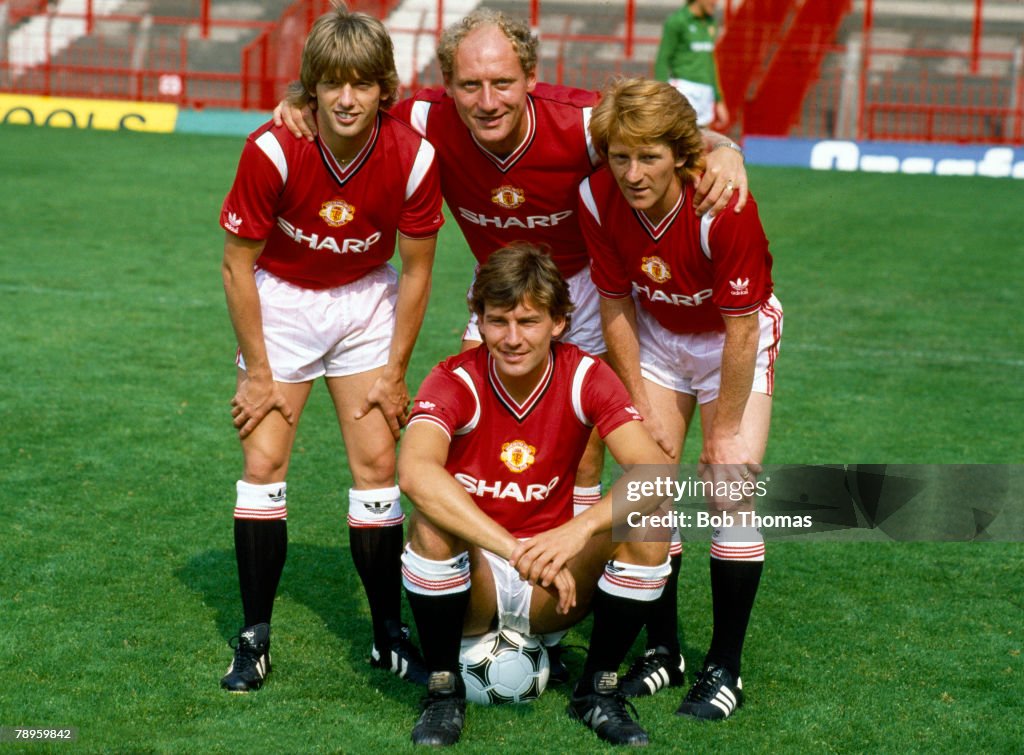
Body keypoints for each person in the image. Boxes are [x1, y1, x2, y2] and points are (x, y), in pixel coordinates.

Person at [274, 8, 749, 683]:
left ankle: (603, 621)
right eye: (470, 85)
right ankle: (491, 593)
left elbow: (666, 133)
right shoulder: (425, 117)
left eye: (502, 82)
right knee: (470, 454)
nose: (487, 100)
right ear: (447, 85)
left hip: (586, 290)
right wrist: (297, 97)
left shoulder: (581, 122)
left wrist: (724, 148)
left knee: (591, 462)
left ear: (531, 76)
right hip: (499, 294)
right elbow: (351, 101)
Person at [217, 7, 443, 692]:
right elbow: (236, 264)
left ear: (384, 89)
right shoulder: (272, 149)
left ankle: (385, 632)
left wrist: (398, 370)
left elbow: (418, 270)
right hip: (280, 302)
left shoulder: (414, 154)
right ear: (310, 87)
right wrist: (258, 370)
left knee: (378, 463)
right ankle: (254, 636)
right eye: (331, 83)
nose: (346, 98)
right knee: (264, 460)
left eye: (362, 83)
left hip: (363, 305)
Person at [397, 244, 677, 746]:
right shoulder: (454, 379)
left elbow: (654, 471)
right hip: (478, 574)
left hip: (553, 580)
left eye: (527, 321)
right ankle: (442, 693)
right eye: (498, 321)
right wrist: (512, 547)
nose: (511, 338)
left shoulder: (586, 375)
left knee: (651, 519)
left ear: (559, 322)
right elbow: (415, 472)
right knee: (430, 526)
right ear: (478, 321)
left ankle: (598, 691)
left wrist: (578, 530)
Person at [579, 77, 783, 718]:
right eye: (620, 157)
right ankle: (665, 650)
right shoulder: (595, 197)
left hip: (731, 339)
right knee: (649, 482)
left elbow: (744, 328)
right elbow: (614, 306)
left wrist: (723, 428)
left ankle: (726, 666)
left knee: (731, 483)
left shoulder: (722, 206)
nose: (633, 173)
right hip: (658, 337)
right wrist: (637, 408)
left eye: (650, 156)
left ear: (681, 153)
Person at [655, 0, 729, 129]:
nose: (716, 2)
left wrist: (719, 100)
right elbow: (662, 60)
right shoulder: (677, 21)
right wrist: (660, 95)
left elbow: (710, 61)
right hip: (684, 89)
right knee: (684, 141)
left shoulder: (711, 22)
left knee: (703, 144)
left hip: (706, 93)